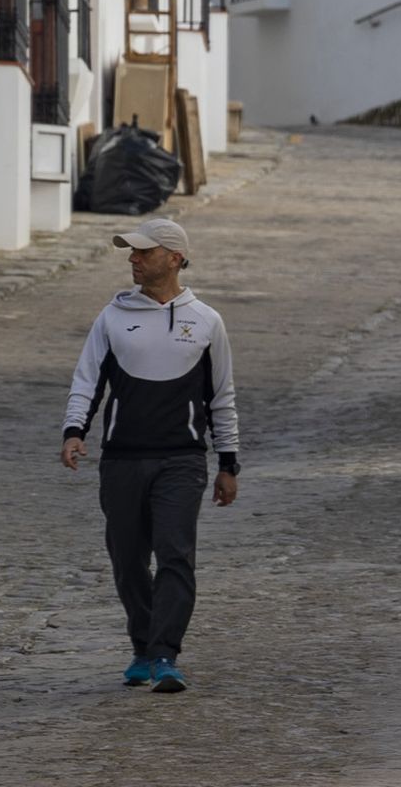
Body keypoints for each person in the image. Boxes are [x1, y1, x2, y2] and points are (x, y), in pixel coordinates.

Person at [60, 215, 240, 693]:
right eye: (131, 252)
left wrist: (228, 463)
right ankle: (142, 644)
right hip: (122, 459)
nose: (133, 259)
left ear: (175, 258)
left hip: (182, 460)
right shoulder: (112, 316)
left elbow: (221, 397)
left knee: (176, 554)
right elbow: (87, 380)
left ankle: (165, 654)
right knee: (127, 557)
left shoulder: (206, 322)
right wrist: (74, 431)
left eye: (143, 252)